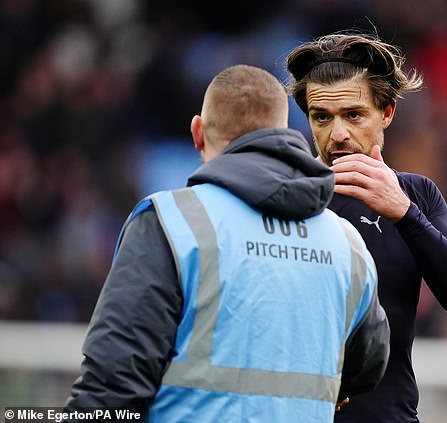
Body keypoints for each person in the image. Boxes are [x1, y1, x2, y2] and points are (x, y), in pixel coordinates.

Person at [64, 64, 391, 422]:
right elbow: (368, 365)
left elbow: (110, 388)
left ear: (198, 133)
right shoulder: (346, 243)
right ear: (285, 136)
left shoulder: (171, 223)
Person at [286, 32, 447, 422]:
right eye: (321, 117)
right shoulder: (286, 197)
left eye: (354, 115)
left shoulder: (416, 194)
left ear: (387, 113)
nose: (338, 133)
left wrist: (403, 213)